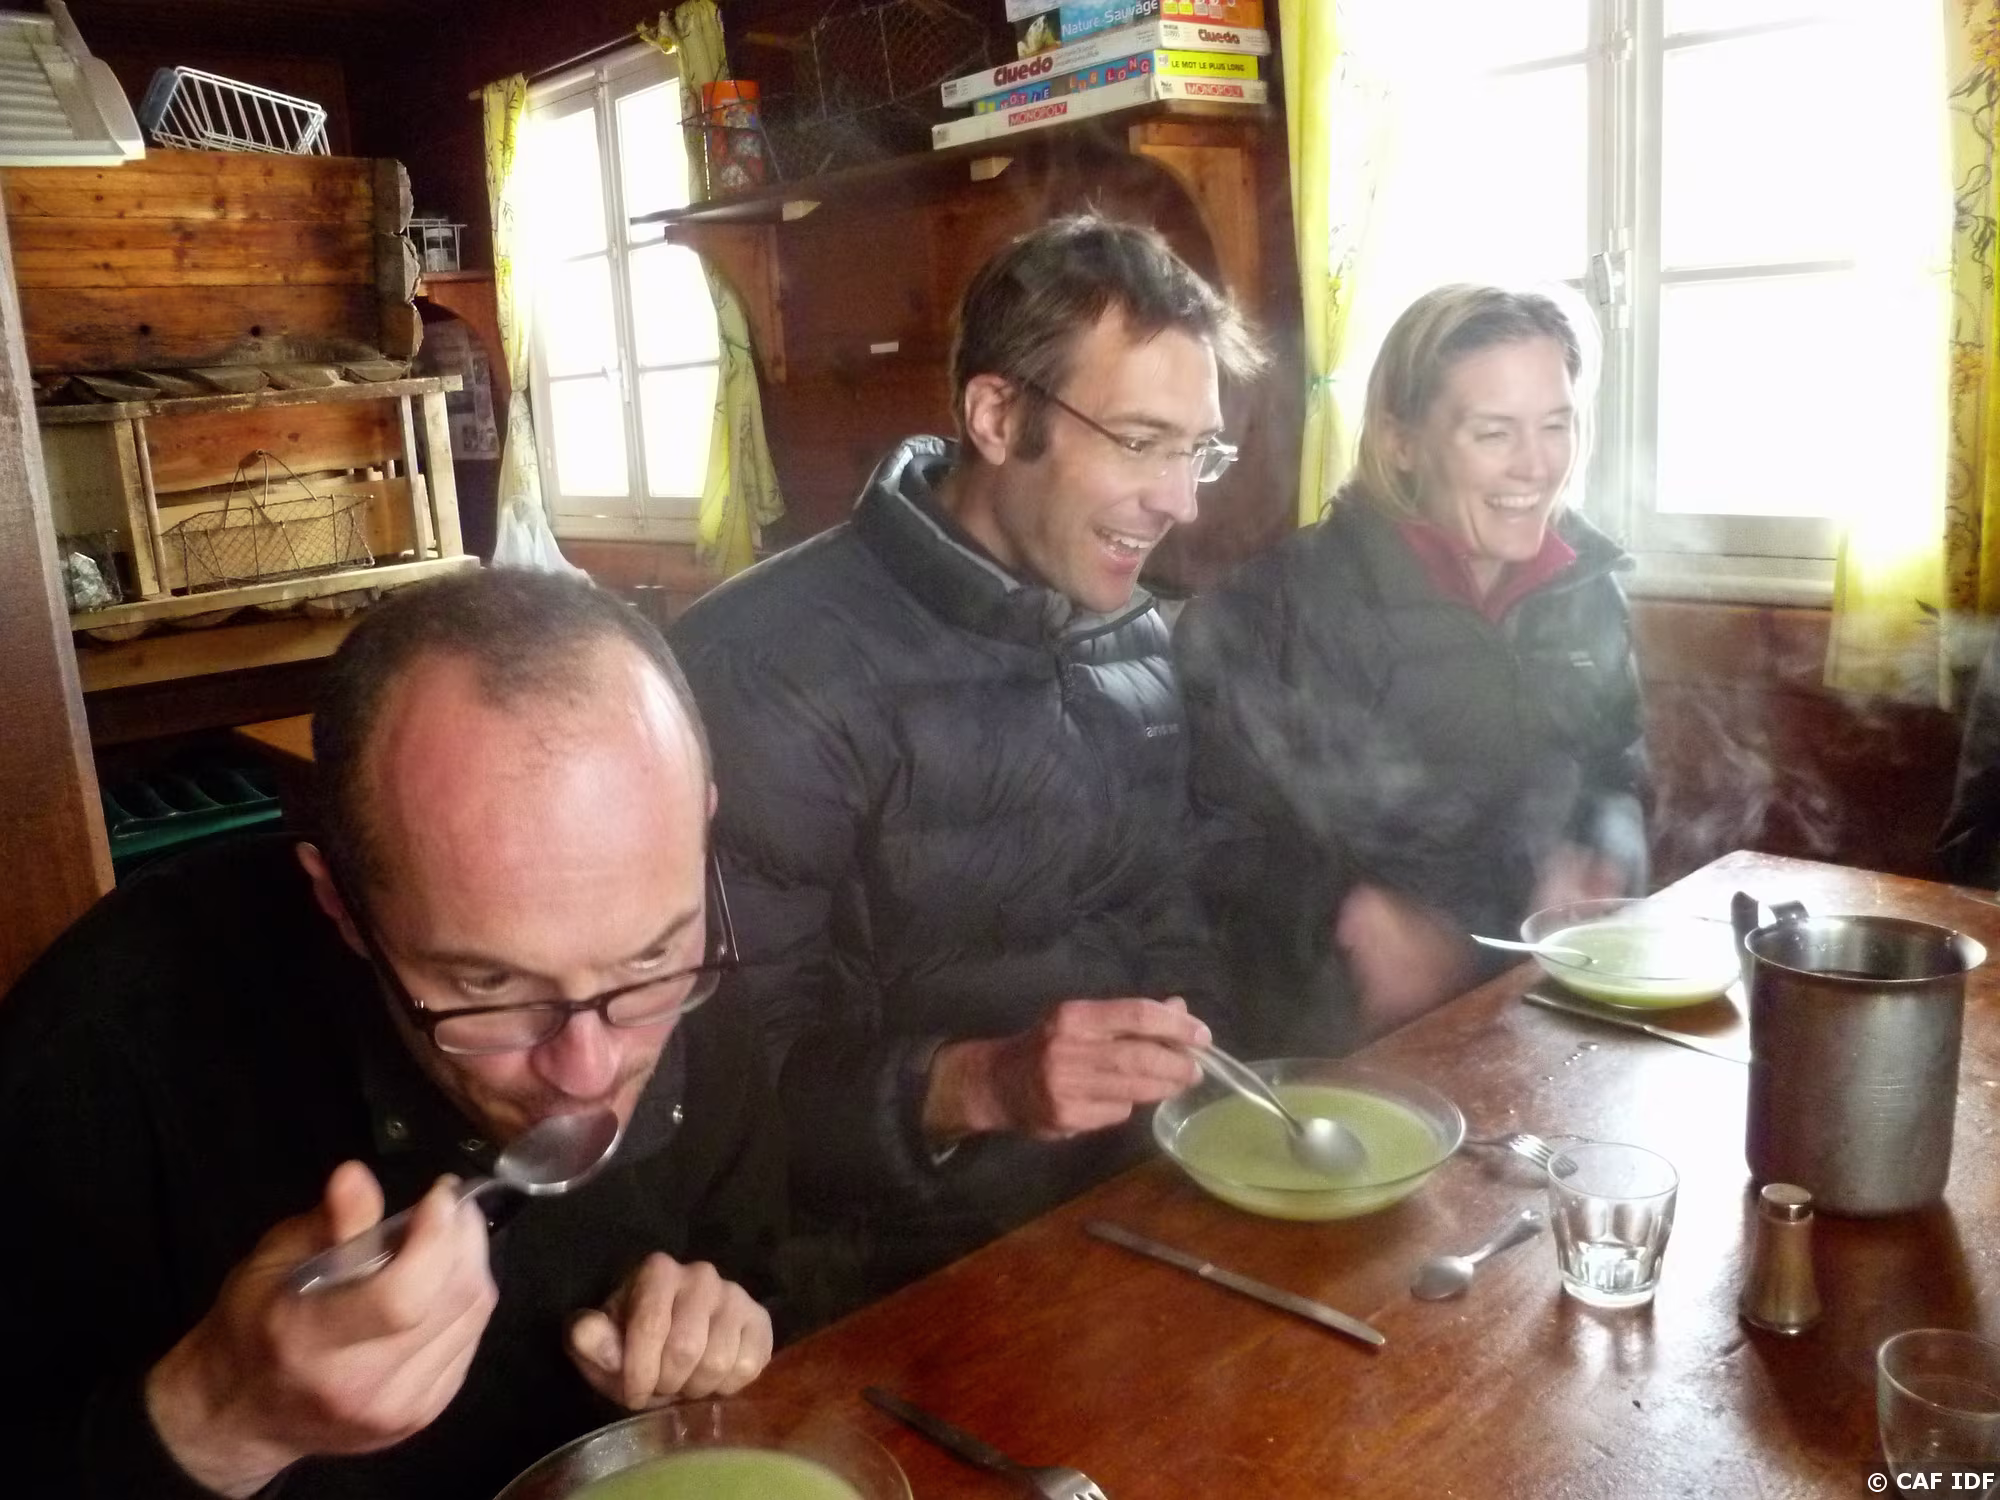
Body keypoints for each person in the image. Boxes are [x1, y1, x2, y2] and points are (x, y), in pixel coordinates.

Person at [0, 571, 784, 1500]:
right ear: (340, 903)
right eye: (487, 985)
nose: (591, 1070)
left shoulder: (704, 974)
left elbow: (763, 1256)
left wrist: (712, 1328)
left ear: (700, 832)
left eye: (649, 959)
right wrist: (216, 1417)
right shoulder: (102, 1047)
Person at [670, 213, 1267, 1319]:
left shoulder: (1129, 628)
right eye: (1140, 441)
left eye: (1198, 451)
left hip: (1131, 1217)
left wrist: (1225, 1096)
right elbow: (721, 1113)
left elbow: (1170, 920)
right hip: (884, 1290)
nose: (1181, 501)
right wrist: (984, 1083)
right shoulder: (765, 671)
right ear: (996, 416)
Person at [1177, 284, 1647, 1055]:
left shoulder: (1585, 590)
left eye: (1556, 425)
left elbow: (1616, 770)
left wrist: (1604, 855)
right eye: (1493, 433)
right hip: (1339, 1043)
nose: (1537, 465)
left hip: (1543, 1008)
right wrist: (1348, 918)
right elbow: (1214, 849)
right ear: (1401, 443)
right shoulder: (1275, 609)